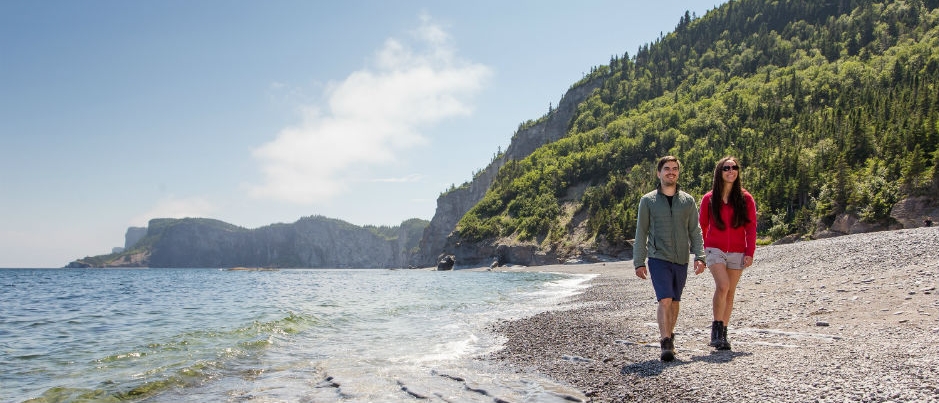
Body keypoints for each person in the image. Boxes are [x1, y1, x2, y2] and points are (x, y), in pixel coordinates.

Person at [633, 156, 707, 362]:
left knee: (675, 301)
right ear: (659, 173)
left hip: (681, 258)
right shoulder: (648, 201)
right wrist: (638, 261)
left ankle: (670, 335)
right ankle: (665, 341)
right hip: (658, 257)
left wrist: (700, 256)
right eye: (667, 169)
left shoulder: (688, 201)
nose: (671, 172)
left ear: (678, 173)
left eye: (675, 169)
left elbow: (695, 230)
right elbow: (641, 231)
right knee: (664, 298)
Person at [698, 156, 758, 351]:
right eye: (726, 168)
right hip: (715, 249)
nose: (731, 171)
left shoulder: (745, 198)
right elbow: (702, 225)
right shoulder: (708, 198)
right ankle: (715, 331)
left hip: (738, 251)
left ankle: (723, 333)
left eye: (734, 167)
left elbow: (751, 228)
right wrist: (704, 249)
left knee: (730, 292)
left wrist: (749, 252)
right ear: (719, 172)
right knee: (723, 286)